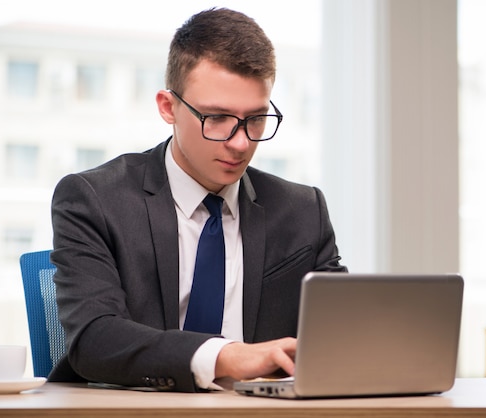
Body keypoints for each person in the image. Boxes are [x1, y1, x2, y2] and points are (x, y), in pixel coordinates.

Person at [49, 8, 346, 393]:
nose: (241, 143)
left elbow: (341, 334)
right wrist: (225, 356)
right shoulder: (94, 200)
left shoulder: (303, 210)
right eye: (217, 118)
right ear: (168, 107)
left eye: (256, 119)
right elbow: (94, 339)